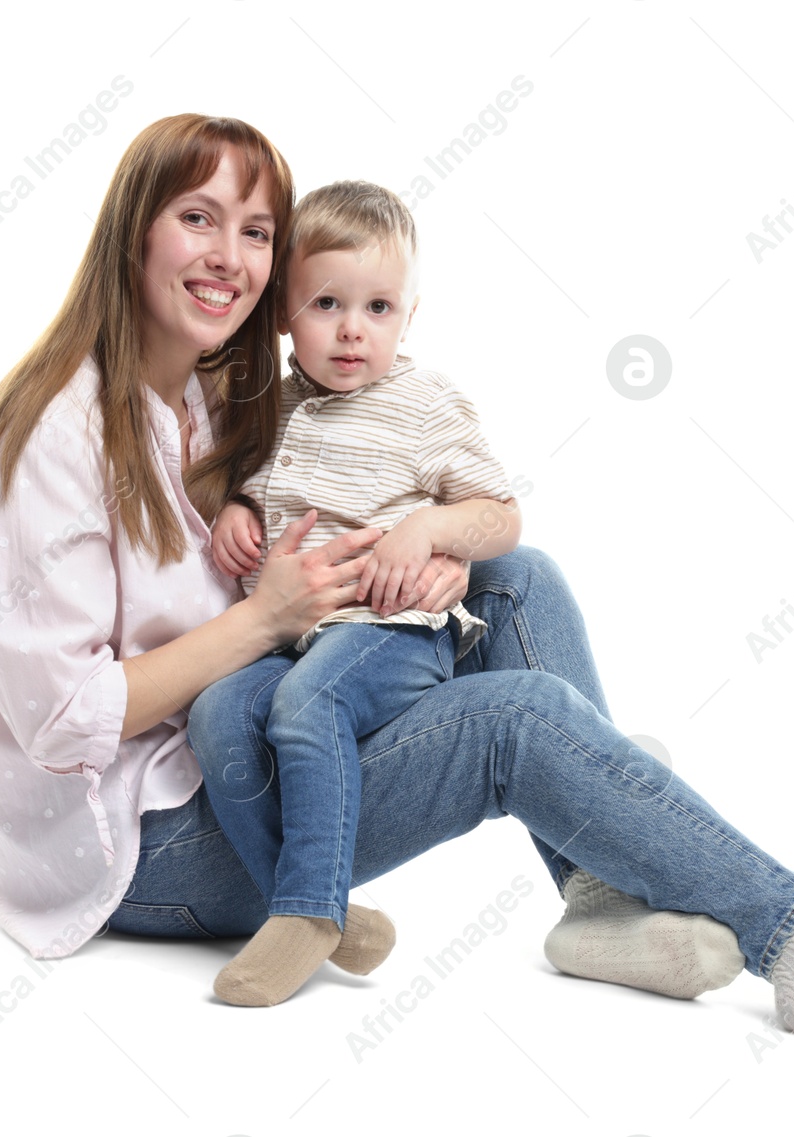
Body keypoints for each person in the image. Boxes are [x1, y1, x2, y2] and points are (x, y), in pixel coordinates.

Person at [0, 113, 794, 1034]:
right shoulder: (51, 441)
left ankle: (601, 898)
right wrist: (270, 613)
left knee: (517, 570)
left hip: (247, 740)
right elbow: (65, 721)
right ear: (133, 231)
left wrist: (412, 551)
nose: (228, 253)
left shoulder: (214, 401)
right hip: (140, 847)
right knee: (519, 721)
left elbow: (315, 538)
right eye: (196, 218)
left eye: (256, 230)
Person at [200, 179, 523, 1005]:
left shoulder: (422, 403)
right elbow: (251, 483)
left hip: (392, 626)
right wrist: (239, 508)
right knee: (218, 713)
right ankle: (320, 906)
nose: (352, 328)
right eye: (327, 303)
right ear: (283, 314)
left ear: (409, 315)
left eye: (379, 307)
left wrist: (430, 531)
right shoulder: (265, 405)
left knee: (307, 704)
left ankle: (305, 916)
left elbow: (502, 514)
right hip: (292, 629)